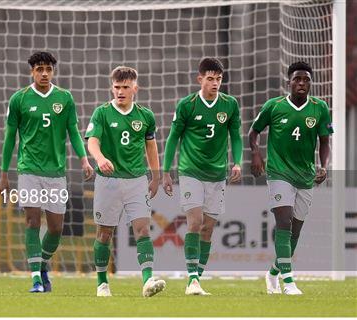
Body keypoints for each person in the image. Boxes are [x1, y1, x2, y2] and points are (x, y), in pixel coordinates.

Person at [0, 52, 94, 293]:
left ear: (53, 71)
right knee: (32, 221)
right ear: (32, 71)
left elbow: (73, 131)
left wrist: (84, 160)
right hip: (28, 169)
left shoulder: (65, 98)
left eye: (48, 69)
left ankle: (42, 266)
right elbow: (10, 138)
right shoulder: (19, 99)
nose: (44, 73)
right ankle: (36, 280)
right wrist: (3, 174)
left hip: (56, 173)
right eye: (39, 69)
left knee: (55, 228)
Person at [249, 61, 332, 295]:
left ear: (311, 83)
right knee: (283, 223)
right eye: (297, 79)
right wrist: (256, 154)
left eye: (306, 79)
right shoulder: (273, 106)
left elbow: (325, 142)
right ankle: (289, 282)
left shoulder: (320, 108)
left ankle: (274, 272)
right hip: (278, 173)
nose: (302, 83)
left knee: (294, 232)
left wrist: (323, 166)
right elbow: (253, 132)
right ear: (289, 82)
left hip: (305, 176)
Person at [162, 58, 243, 295]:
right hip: (191, 171)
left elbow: (236, 137)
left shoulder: (230, 105)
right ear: (200, 79)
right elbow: (172, 139)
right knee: (195, 222)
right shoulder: (187, 105)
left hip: (217, 175)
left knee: (208, 229)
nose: (215, 83)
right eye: (210, 79)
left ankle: (197, 278)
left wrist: (237, 162)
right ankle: (191, 280)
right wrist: (166, 172)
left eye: (219, 79)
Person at [85, 66, 166, 297]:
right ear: (112, 87)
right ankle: (102, 283)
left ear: (135, 88)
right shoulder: (101, 113)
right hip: (108, 181)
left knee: (142, 230)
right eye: (117, 87)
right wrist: (99, 158)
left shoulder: (146, 116)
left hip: (137, 181)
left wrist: (156, 175)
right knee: (104, 234)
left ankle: (148, 280)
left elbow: (151, 146)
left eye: (125, 87)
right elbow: (92, 141)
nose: (120, 91)